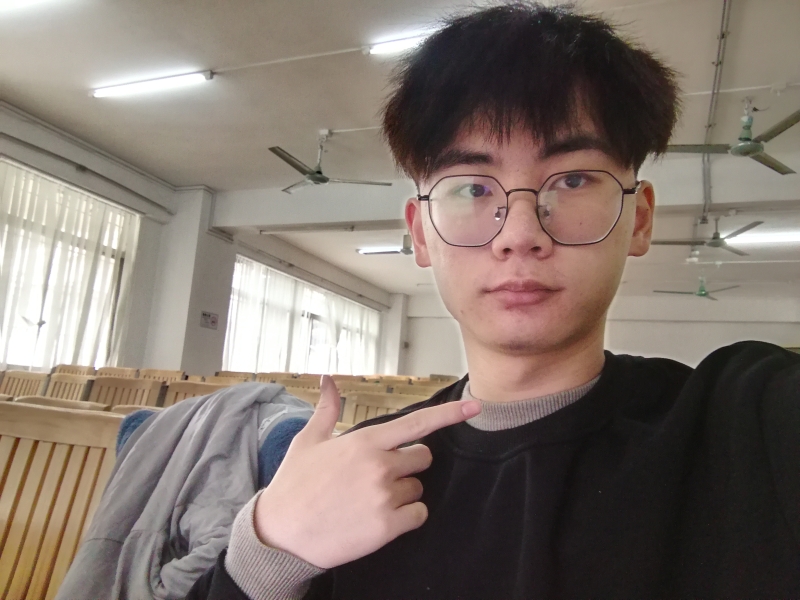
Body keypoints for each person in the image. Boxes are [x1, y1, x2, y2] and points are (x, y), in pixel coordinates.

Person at [188, 3, 800, 598]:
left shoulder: (742, 427)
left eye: (573, 179)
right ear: (421, 233)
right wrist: (268, 549)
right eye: (474, 188)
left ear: (637, 219)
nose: (520, 235)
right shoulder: (365, 471)